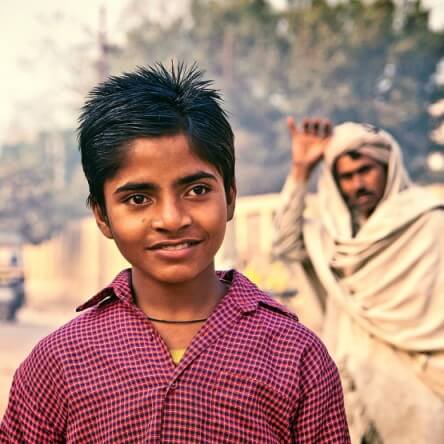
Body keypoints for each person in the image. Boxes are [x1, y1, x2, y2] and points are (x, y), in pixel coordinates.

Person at [0, 65, 350, 443]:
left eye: (197, 190)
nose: (171, 219)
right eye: (138, 198)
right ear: (103, 216)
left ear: (230, 197)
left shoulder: (295, 356)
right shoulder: (61, 362)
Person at [272, 117, 444, 443]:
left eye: (365, 171)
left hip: (419, 388)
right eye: (346, 177)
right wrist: (300, 172)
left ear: (388, 167)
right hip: (353, 390)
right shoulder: (336, 241)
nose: (357, 185)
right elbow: (285, 243)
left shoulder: (429, 223)